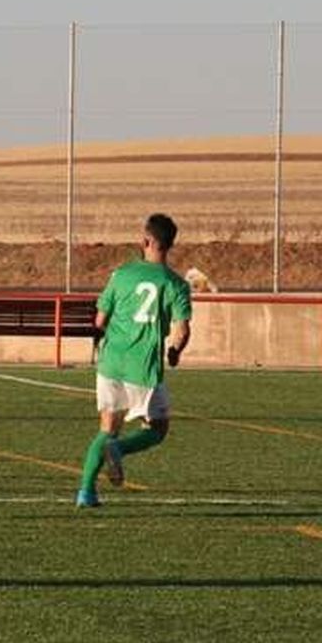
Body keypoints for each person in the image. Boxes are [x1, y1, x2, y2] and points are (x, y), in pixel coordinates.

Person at [76, 212, 192, 509]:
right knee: (157, 428)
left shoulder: (121, 274)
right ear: (169, 245)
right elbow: (181, 330)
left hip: (111, 362)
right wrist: (175, 351)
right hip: (143, 367)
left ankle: (86, 493)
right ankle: (119, 449)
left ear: (146, 240)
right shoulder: (176, 285)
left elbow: (100, 319)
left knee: (107, 426)